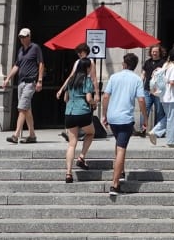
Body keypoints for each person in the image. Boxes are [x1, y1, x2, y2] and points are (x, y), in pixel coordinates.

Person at [101, 52, 146, 197]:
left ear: (124, 64)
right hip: (125, 118)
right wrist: (145, 117)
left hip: (113, 117)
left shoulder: (114, 77)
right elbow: (141, 100)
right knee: (121, 149)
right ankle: (115, 185)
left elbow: (106, 96)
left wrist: (104, 113)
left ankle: (120, 172)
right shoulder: (137, 80)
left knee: (118, 143)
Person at [2, 27, 44, 144]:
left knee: (22, 108)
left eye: (24, 37)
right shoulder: (21, 50)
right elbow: (17, 65)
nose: (22, 39)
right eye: (21, 37)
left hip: (30, 82)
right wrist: (7, 79)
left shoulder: (35, 48)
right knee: (26, 109)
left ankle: (16, 135)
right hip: (21, 83)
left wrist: (39, 80)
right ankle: (32, 135)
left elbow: (41, 63)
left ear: (29, 37)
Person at [61, 56, 97, 183]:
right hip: (82, 112)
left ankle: (68, 173)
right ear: (87, 67)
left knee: (72, 143)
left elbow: (65, 98)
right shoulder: (86, 80)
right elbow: (88, 98)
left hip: (70, 112)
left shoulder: (70, 80)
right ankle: (81, 156)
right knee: (91, 132)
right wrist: (93, 103)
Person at [148, 45, 174, 148]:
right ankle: (171, 141)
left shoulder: (165, 65)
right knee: (172, 119)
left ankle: (155, 131)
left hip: (163, 95)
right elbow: (172, 82)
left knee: (168, 117)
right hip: (170, 96)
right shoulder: (173, 67)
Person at [140, 44, 165, 137]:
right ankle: (143, 129)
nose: (154, 53)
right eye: (153, 51)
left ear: (159, 52)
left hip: (158, 91)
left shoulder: (163, 62)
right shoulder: (147, 62)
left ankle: (160, 132)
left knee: (159, 111)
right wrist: (140, 83)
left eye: (156, 51)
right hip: (147, 90)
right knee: (145, 110)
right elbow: (143, 74)